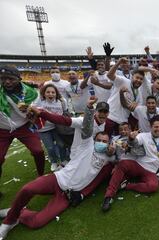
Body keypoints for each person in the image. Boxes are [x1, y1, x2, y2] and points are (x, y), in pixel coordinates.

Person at [0, 98, 116, 239]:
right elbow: (65, 121)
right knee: (27, 189)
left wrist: (113, 150)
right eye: (100, 111)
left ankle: (16, 212)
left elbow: (120, 155)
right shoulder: (87, 136)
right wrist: (89, 108)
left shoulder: (107, 153)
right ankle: (8, 221)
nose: (102, 143)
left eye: (105, 142)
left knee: (37, 222)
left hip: (68, 192)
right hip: (68, 167)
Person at [101, 117, 159, 212]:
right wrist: (131, 138)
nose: (158, 129)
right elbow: (135, 143)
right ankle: (108, 197)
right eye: (156, 127)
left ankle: (127, 185)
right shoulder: (143, 136)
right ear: (150, 127)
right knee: (122, 164)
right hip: (138, 165)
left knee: (153, 186)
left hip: (151, 171)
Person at [0, 65, 45, 192]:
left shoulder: (31, 93)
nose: (7, 82)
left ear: (18, 79)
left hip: (23, 126)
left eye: (10, 79)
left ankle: (41, 177)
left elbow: (38, 111)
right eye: (3, 79)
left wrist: (30, 111)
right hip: (2, 129)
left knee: (38, 151)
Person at [106, 58, 145, 136]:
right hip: (110, 116)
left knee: (119, 144)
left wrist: (136, 105)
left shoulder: (139, 93)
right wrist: (119, 62)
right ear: (132, 77)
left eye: (141, 79)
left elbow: (132, 108)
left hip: (122, 122)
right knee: (105, 140)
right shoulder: (124, 81)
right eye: (137, 77)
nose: (139, 80)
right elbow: (109, 75)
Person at [33, 84, 67, 171]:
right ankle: (54, 162)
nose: (50, 94)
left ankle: (63, 160)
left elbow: (63, 114)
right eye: (48, 92)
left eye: (53, 92)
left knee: (61, 144)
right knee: (50, 147)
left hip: (56, 127)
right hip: (43, 129)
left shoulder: (61, 101)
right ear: (44, 93)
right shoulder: (39, 100)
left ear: (56, 93)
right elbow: (32, 110)